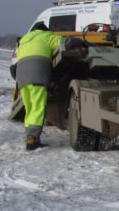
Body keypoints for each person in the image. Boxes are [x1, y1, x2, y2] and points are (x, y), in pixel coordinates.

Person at [14, 22, 85, 150]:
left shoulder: (24, 40)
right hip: (38, 77)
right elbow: (64, 43)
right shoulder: (46, 36)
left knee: (29, 109)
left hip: (22, 79)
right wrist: (78, 41)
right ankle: (32, 140)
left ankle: (31, 137)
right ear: (44, 30)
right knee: (38, 107)